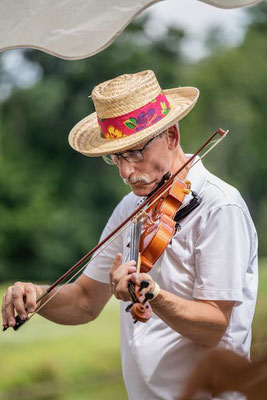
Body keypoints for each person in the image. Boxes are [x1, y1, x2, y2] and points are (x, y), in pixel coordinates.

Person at [1, 70, 258, 400]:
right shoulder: (131, 206)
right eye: (116, 157)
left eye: (136, 152)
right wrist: (38, 296)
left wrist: (154, 294)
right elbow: (84, 301)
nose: (125, 171)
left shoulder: (220, 207)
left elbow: (214, 325)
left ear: (173, 137)